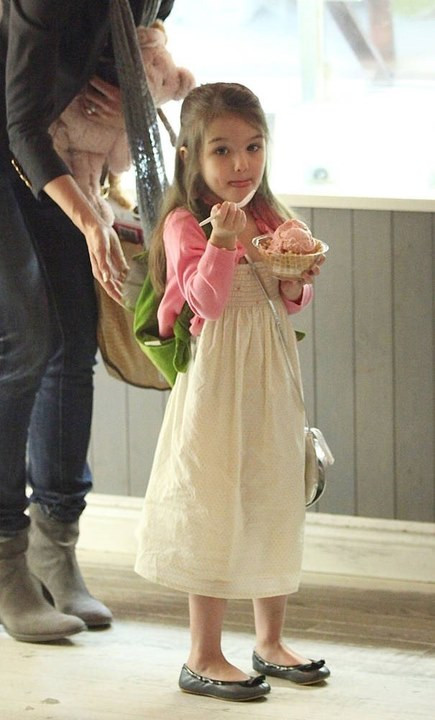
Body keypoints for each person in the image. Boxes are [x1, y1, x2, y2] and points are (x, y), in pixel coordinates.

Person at [134, 81, 330, 703]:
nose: (241, 164)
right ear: (191, 155)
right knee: (213, 502)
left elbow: (289, 301)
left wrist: (297, 278)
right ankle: (203, 654)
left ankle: (270, 642)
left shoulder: (273, 219)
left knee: (273, 492)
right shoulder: (184, 225)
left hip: (270, 375)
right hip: (216, 381)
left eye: (253, 146)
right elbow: (207, 303)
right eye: (222, 149)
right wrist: (221, 242)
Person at [0, 0, 174, 644]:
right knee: (24, 341)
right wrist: (90, 222)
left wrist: (123, 87)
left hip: (49, 139)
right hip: (19, 133)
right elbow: (19, 120)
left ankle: (56, 547)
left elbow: (137, 40)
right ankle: (6, 559)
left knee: (75, 341)